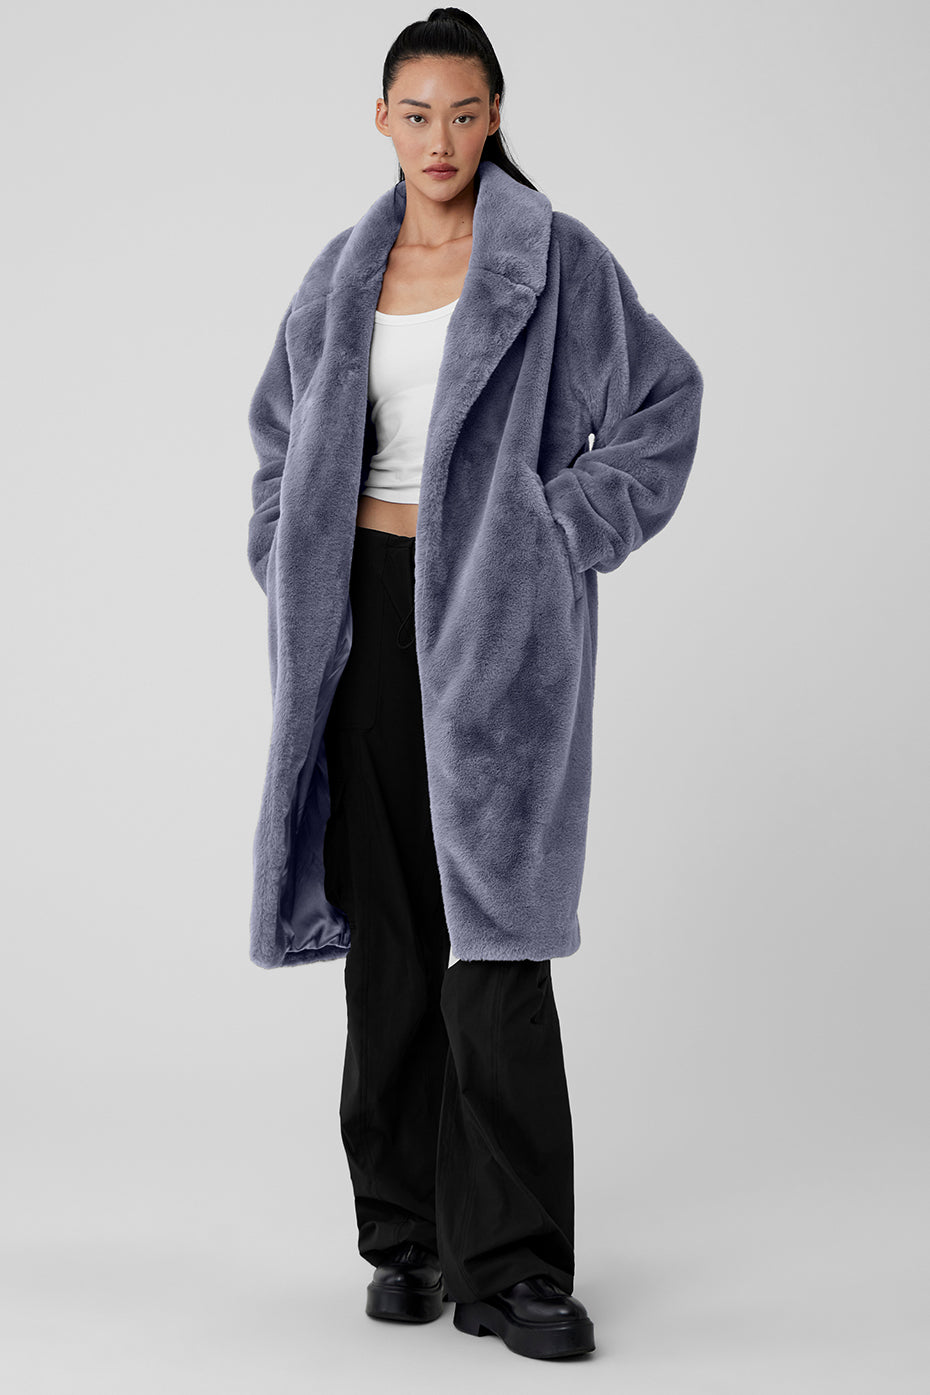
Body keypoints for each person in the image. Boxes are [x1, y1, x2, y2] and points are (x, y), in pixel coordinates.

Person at [245, 7, 703, 1364]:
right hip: (355, 625)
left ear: (493, 116)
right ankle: (407, 1239)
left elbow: (664, 404)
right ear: (381, 122)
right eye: (415, 113)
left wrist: (553, 534)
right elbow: (277, 435)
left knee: (492, 944)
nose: (438, 138)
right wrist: (283, 547)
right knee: (391, 942)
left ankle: (515, 1268)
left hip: (494, 624)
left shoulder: (554, 262)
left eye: (461, 112)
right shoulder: (341, 273)